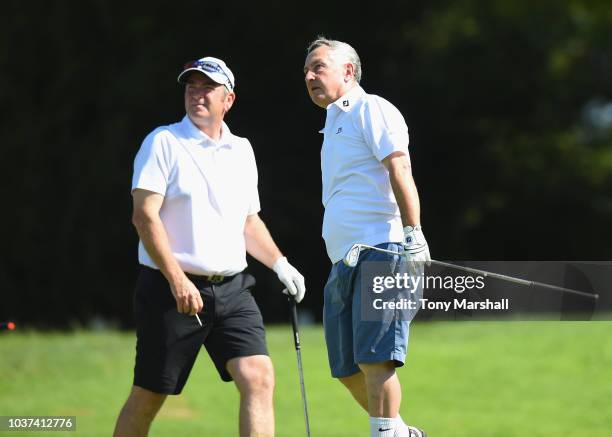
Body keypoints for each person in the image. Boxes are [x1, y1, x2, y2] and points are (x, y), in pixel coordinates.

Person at [114, 56, 306, 437]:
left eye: (207, 88)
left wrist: (280, 264)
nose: (197, 95)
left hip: (233, 289)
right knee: (150, 394)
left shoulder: (242, 150)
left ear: (228, 100)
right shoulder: (163, 142)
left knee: (259, 376)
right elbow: (144, 217)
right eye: (191, 87)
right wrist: (177, 280)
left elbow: (248, 222)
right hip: (171, 290)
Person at [303, 37, 430, 437]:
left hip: (383, 248)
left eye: (319, 67)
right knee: (345, 367)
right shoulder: (332, 121)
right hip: (344, 258)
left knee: (377, 360)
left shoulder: (370, 108)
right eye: (306, 70)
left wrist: (413, 234)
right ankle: (400, 431)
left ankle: (385, 434)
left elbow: (400, 168)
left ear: (348, 71)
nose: (309, 76)